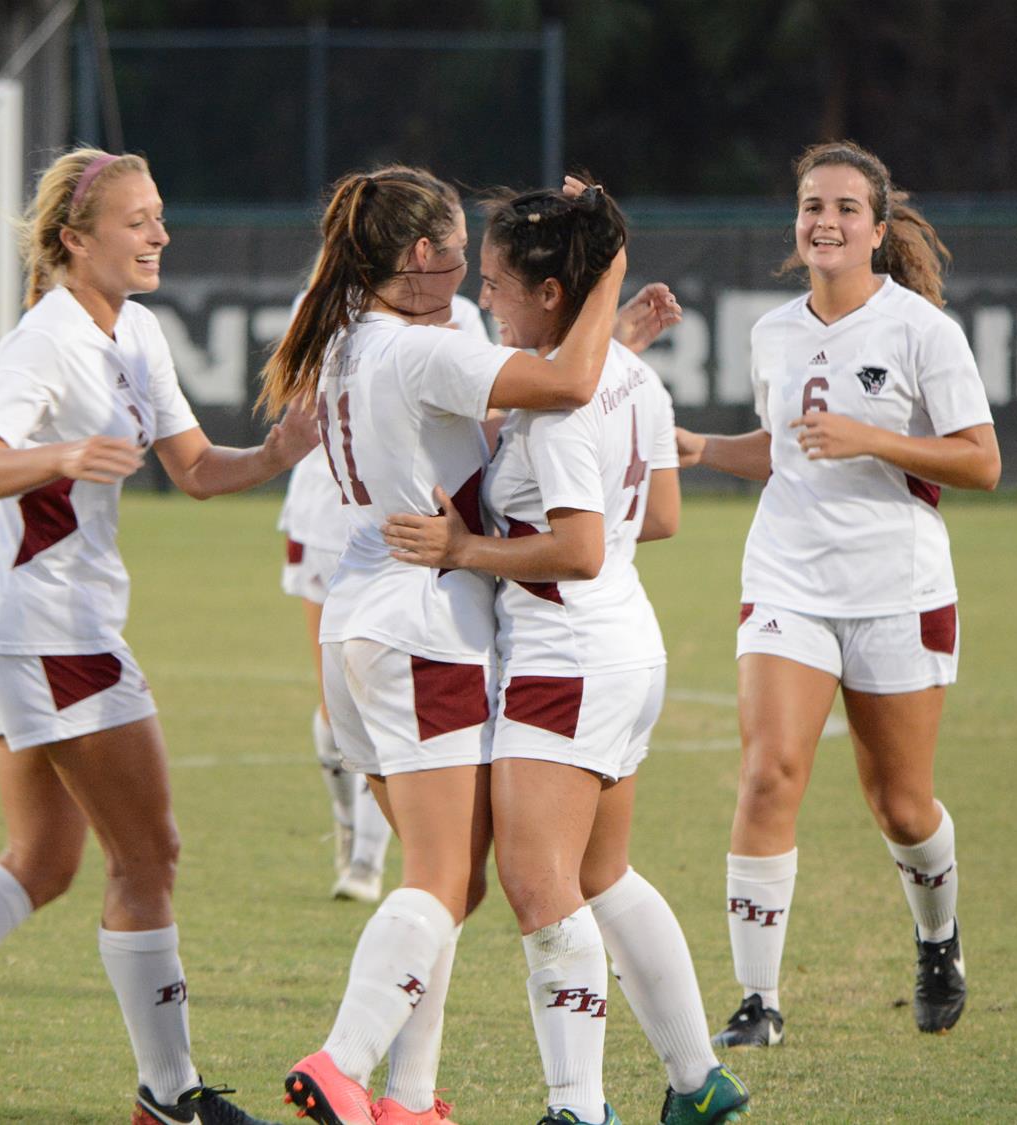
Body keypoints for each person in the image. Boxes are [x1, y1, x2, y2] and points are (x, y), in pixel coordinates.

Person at [0, 147, 318, 1125]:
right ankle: (170, 1094)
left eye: (160, 217)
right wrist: (62, 453)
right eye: (137, 221)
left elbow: (193, 469)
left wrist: (272, 452)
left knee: (45, 859)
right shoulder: (44, 340)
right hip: (50, 631)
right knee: (150, 855)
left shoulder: (135, 331)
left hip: (29, 623)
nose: (159, 235)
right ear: (71, 241)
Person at [256, 165, 624, 1125]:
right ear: (420, 256)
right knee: (437, 878)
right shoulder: (421, 350)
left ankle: (409, 1101)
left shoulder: (346, 336)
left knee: (448, 880)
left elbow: (502, 415)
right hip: (425, 629)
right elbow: (570, 382)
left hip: (360, 622)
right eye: (459, 245)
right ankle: (342, 1066)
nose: (473, 266)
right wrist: (611, 259)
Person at [381, 181, 747, 1125]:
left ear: (550, 295)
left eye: (498, 283)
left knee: (538, 887)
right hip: (622, 649)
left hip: (568, 659)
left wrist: (467, 549)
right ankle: (696, 1079)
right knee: (600, 876)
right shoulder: (632, 374)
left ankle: (577, 1110)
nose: (485, 300)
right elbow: (658, 516)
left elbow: (580, 548)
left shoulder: (559, 406)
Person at [675, 140, 1001, 1047]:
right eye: (812, 204)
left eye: (846, 207)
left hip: (898, 586)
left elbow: (982, 460)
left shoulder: (922, 331)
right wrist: (704, 447)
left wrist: (875, 438)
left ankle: (939, 939)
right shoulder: (772, 331)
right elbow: (788, 449)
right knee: (770, 770)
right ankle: (757, 1000)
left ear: (879, 228)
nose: (825, 219)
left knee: (901, 804)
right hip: (786, 576)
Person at [276, 288, 485, 906]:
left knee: (379, 697)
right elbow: (296, 404)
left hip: (405, 530)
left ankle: (368, 857)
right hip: (331, 513)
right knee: (338, 700)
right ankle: (354, 830)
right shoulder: (318, 307)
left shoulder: (460, 315)